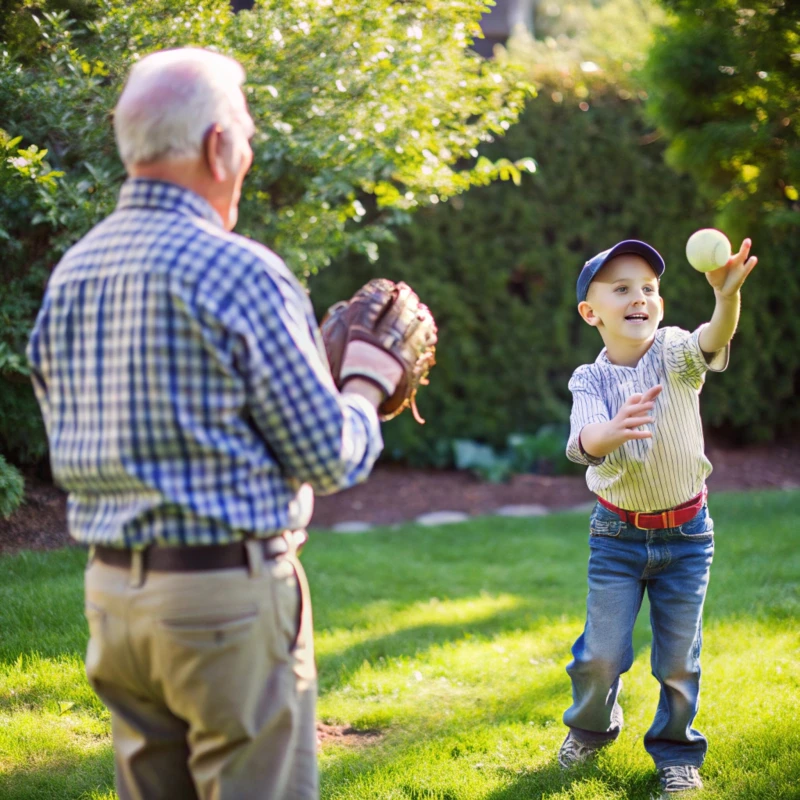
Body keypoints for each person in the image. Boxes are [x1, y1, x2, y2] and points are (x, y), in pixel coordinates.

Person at [26, 47, 404, 800]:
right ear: (217, 145)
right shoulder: (240, 270)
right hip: (224, 605)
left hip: (113, 603)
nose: (251, 149)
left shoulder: (74, 272)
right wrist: (364, 387)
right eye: (248, 132)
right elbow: (328, 457)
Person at [558, 238, 757, 794]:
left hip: (688, 535)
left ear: (661, 305)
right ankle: (593, 728)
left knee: (677, 659)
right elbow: (584, 441)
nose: (639, 297)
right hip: (617, 536)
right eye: (621, 289)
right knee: (601, 655)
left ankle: (676, 751)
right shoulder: (589, 379)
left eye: (648, 288)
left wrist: (727, 298)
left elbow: (714, 338)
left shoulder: (674, 352)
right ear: (591, 312)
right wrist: (611, 429)